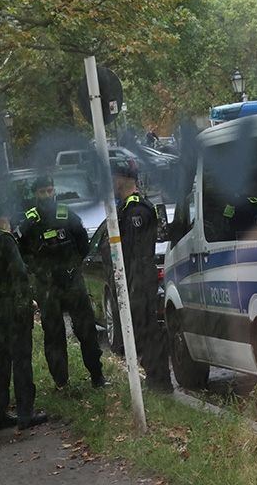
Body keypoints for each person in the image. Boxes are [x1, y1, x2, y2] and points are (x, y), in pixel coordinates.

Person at [15, 175, 107, 389]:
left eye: (50, 190)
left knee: (87, 330)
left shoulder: (66, 214)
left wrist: (72, 265)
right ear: (35, 194)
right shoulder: (30, 222)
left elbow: (83, 243)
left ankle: (97, 376)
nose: (48, 195)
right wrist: (39, 271)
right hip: (48, 286)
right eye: (43, 192)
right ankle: (61, 382)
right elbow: (22, 254)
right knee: (54, 335)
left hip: (72, 280)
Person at [0, 201, 48, 431]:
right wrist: (30, 302)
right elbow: (19, 274)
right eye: (5, 218)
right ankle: (26, 414)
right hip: (14, 307)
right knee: (21, 360)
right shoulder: (6, 240)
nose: (9, 222)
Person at [111, 159, 172, 392]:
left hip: (139, 277)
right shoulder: (126, 208)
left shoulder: (136, 210)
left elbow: (134, 250)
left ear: (121, 181)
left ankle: (160, 380)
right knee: (140, 327)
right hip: (135, 277)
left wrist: (133, 280)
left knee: (147, 328)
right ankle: (154, 376)